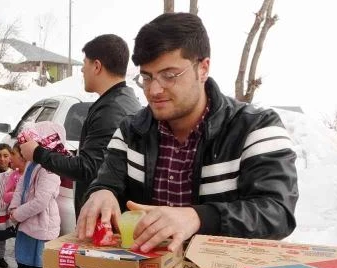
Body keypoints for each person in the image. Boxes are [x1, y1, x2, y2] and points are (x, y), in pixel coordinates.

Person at [77, 13, 299, 254]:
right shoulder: (131, 132)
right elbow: (107, 182)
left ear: (203, 68)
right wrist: (102, 192)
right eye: (147, 77)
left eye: (169, 75)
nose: (154, 89)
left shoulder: (255, 128)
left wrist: (198, 217)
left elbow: (277, 212)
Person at [20, 34, 141, 216]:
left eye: (85, 63)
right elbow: (100, 160)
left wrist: (37, 153)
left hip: (105, 219)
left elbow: (88, 168)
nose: (83, 70)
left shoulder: (111, 110)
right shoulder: (124, 100)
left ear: (97, 66)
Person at [10, 122, 64, 268]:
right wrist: (13, 208)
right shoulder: (33, 164)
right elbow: (20, 188)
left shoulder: (50, 169)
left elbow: (41, 201)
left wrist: (18, 214)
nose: (24, 146)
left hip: (42, 229)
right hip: (27, 226)